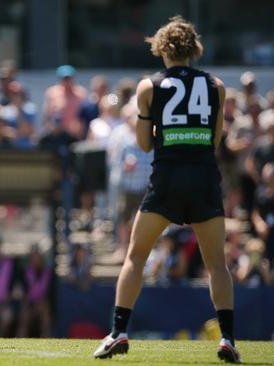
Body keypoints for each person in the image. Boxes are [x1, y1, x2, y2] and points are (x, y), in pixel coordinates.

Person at [93, 17, 240, 363]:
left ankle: (118, 332)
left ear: (161, 47)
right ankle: (229, 338)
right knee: (217, 265)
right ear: (194, 48)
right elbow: (215, 140)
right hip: (204, 178)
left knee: (135, 256)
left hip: (167, 180)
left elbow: (144, 145)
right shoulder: (216, 86)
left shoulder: (148, 86)